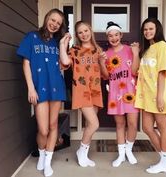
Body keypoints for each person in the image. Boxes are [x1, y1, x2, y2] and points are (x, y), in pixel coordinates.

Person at [17, 9, 67, 177]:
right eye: (52, 20)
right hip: (39, 88)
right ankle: (41, 152)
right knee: (43, 129)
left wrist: (63, 45)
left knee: (53, 126)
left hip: (56, 87)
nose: (54, 24)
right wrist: (30, 88)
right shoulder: (32, 37)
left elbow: (64, 64)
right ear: (47, 19)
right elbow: (26, 63)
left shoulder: (58, 42)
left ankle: (47, 161)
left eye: (58, 23)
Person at [59, 21, 104, 167]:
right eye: (80, 32)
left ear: (90, 31)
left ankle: (84, 154)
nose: (84, 34)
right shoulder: (75, 50)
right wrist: (63, 44)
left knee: (89, 124)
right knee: (94, 124)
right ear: (77, 35)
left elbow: (105, 74)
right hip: (81, 90)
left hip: (95, 90)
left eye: (86, 31)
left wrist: (103, 61)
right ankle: (81, 152)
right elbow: (65, 61)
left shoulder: (98, 50)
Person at [133, 18, 166, 174]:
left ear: (157, 29)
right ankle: (165, 158)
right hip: (145, 95)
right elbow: (136, 71)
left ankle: (164, 161)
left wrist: (160, 96)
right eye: (145, 29)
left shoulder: (162, 46)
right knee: (147, 128)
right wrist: (136, 53)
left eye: (151, 29)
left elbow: (162, 72)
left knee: (163, 127)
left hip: (158, 94)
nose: (147, 32)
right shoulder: (147, 49)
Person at [99, 21, 139, 167]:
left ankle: (129, 150)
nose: (114, 38)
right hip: (115, 93)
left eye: (116, 34)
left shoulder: (130, 50)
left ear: (121, 35)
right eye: (110, 36)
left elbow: (135, 71)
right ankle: (121, 155)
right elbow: (105, 76)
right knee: (120, 124)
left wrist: (135, 54)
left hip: (130, 92)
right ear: (107, 37)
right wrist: (102, 63)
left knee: (133, 123)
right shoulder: (107, 54)